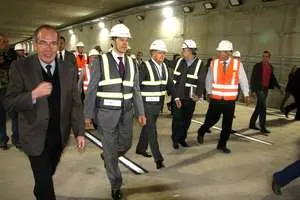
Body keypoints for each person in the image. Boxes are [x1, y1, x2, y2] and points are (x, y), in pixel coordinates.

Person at [4, 24, 85, 200]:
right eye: (43, 43)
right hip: (34, 137)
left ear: (59, 45)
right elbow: (9, 102)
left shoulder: (68, 69)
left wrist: (79, 132)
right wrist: (33, 94)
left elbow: (75, 103)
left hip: (58, 136)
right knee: (46, 189)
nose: (48, 48)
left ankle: (40, 187)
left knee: (47, 174)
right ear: (35, 44)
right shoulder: (21, 67)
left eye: (53, 43)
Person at [84, 23, 146, 200]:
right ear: (113, 41)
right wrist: (87, 115)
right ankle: (116, 184)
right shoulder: (100, 61)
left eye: (127, 40)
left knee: (126, 144)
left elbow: (136, 90)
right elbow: (92, 89)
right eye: (121, 39)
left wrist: (141, 113)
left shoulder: (133, 63)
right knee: (111, 149)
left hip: (127, 114)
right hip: (106, 115)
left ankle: (108, 156)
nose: (124, 43)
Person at [197, 40, 250, 154]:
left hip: (230, 101)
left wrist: (246, 94)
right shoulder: (214, 63)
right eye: (219, 52)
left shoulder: (237, 65)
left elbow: (243, 80)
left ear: (228, 53)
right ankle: (201, 131)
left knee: (227, 124)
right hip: (215, 99)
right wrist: (209, 92)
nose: (219, 54)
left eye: (221, 52)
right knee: (211, 120)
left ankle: (222, 144)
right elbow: (209, 79)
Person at [136, 40, 174, 169]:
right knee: (152, 131)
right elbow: (137, 86)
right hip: (146, 105)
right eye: (159, 53)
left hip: (158, 105)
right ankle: (158, 159)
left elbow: (169, 84)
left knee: (147, 127)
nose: (162, 55)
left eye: (164, 53)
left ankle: (141, 148)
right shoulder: (144, 66)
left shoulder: (165, 67)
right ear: (152, 53)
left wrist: (177, 97)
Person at [171, 39, 206, 149]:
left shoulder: (200, 64)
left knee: (186, 120)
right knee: (177, 119)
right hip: (177, 96)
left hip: (190, 98)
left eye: (184, 50)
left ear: (190, 51)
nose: (182, 52)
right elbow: (167, 62)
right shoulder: (179, 61)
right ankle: (175, 140)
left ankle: (182, 139)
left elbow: (201, 80)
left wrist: (199, 95)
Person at [249, 50, 283, 133]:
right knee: (263, 107)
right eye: (263, 56)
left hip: (265, 89)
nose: (265, 58)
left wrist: (279, 87)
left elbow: (273, 78)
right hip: (258, 89)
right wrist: (252, 90)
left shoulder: (270, 67)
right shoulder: (258, 66)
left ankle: (252, 124)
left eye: (266, 56)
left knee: (259, 107)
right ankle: (263, 126)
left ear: (269, 58)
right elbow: (253, 78)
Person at [0, 33, 16, 149]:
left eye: (5, 41)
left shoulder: (11, 53)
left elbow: (14, 66)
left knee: (15, 114)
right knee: (0, 116)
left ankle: (17, 138)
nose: (3, 43)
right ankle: (2, 140)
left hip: (10, 88)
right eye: (1, 41)